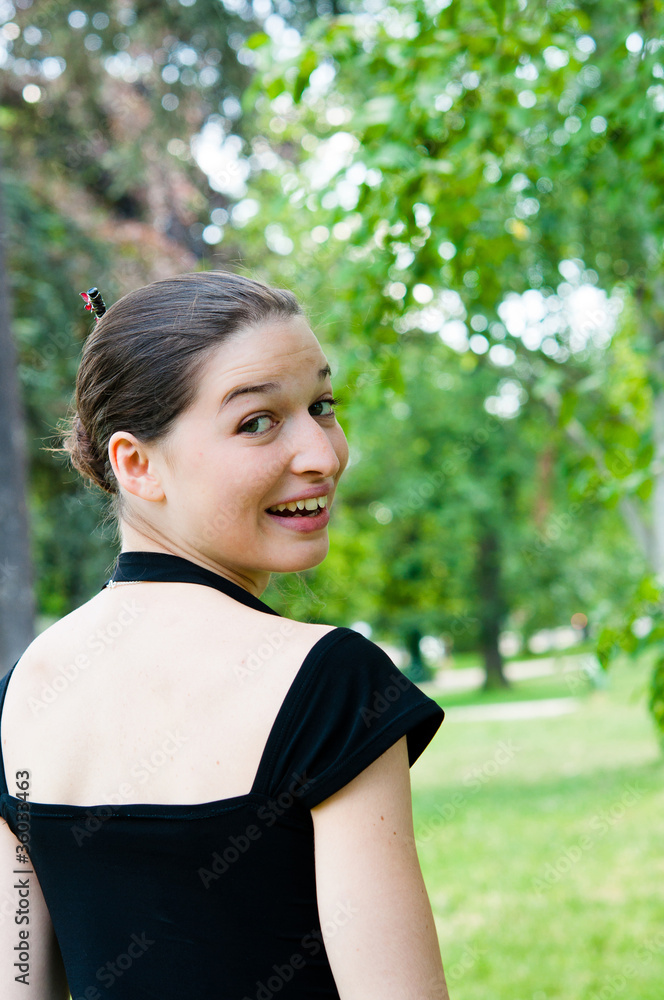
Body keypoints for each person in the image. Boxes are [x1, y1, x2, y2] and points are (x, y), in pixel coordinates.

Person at [0, 270, 449, 999]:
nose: (325, 454)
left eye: (321, 406)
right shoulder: (328, 683)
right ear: (137, 465)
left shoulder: (26, 690)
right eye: (257, 422)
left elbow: (18, 978)